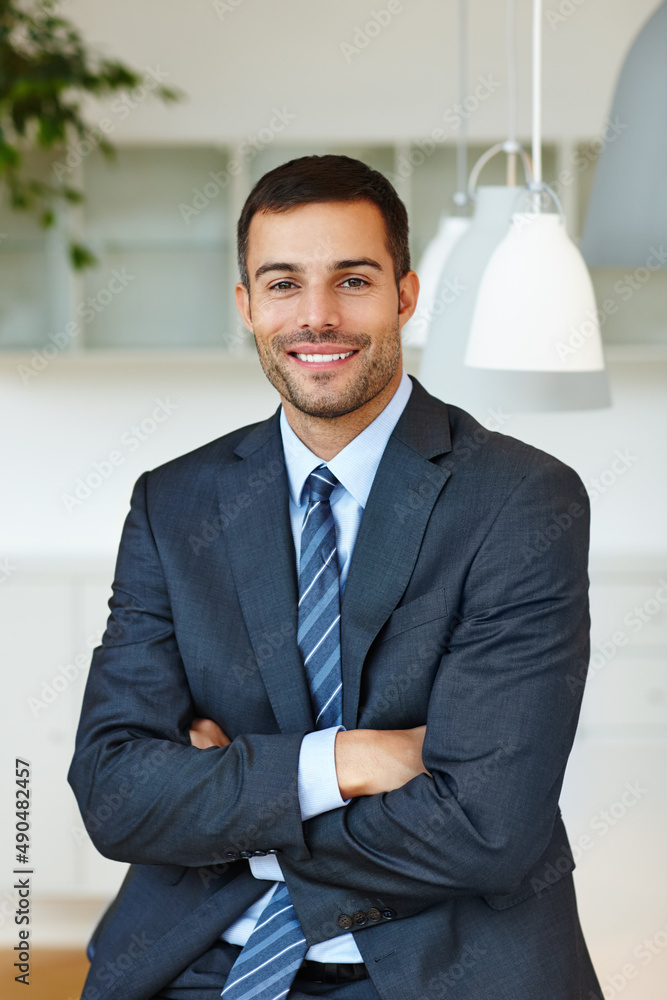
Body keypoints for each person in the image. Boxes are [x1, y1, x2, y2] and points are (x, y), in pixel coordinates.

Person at [68, 154, 603, 1000]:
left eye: (351, 280)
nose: (316, 317)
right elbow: (115, 795)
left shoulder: (519, 500)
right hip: (197, 959)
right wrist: (344, 762)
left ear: (405, 294)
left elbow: (487, 825)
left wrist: (228, 801)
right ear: (246, 306)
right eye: (282, 284)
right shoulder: (174, 504)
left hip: (439, 968)